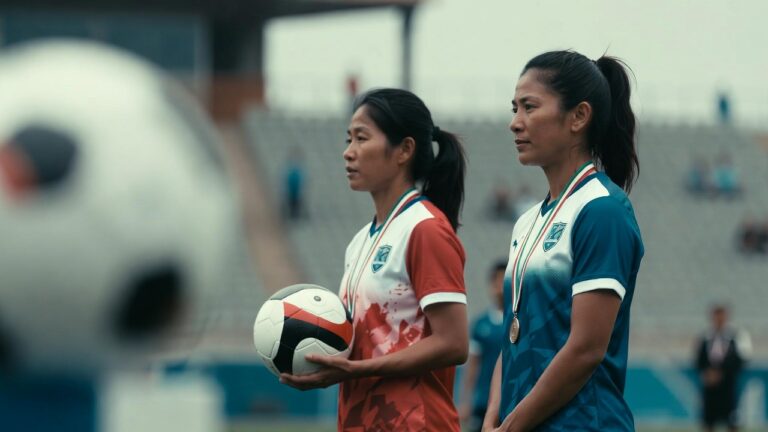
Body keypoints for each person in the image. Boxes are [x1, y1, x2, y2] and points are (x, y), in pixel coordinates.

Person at [280, 88, 469, 431]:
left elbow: (454, 343)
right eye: (348, 139)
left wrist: (357, 370)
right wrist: (327, 365)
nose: (347, 153)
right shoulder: (359, 241)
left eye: (361, 138)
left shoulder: (425, 229)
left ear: (404, 150)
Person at [482, 50, 644, 431]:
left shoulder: (603, 210)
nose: (514, 123)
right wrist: (494, 415)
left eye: (529, 107)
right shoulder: (525, 222)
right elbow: (513, 334)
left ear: (578, 116)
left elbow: (586, 349)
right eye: (514, 108)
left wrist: (510, 426)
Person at [460, 260, 507, 432]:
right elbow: (473, 365)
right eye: (497, 282)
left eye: (504, 281)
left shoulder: (521, 321)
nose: (500, 287)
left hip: (511, 402)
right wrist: (466, 400)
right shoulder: (481, 324)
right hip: (483, 403)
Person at [695, 305, 752, 432]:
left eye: (721, 315)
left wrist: (723, 373)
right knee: (708, 421)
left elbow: (742, 359)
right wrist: (707, 373)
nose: (719, 319)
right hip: (710, 388)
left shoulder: (736, 336)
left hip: (728, 386)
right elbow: (699, 360)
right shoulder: (705, 336)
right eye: (716, 316)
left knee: (732, 420)